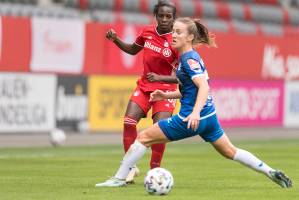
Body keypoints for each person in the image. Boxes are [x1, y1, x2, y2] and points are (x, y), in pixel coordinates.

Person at [95, 17, 292, 188]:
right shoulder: (185, 59)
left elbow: (204, 87)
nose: (173, 35)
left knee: (143, 137)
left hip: (190, 118)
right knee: (231, 151)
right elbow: (190, 91)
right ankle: (271, 172)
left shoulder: (188, 59)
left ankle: (120, 178)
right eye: (173, 31)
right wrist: (165, 96)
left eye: (178, 32)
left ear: (189, 37)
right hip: (209, 117)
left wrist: (195, 113)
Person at [105, 0, 178, 183]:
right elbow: (132, 50)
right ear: (155, 16)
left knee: (159, 129)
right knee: (129, 122)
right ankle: (130, 167)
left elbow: (182, 77)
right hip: (145, 86)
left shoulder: (176, 42)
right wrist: (115, 39)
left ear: (173, 19)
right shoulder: (147, 32)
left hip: (166, 90)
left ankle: (155, 170)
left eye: (168, 16)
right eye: (160, 15)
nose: (164, 19)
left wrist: (160, 78)